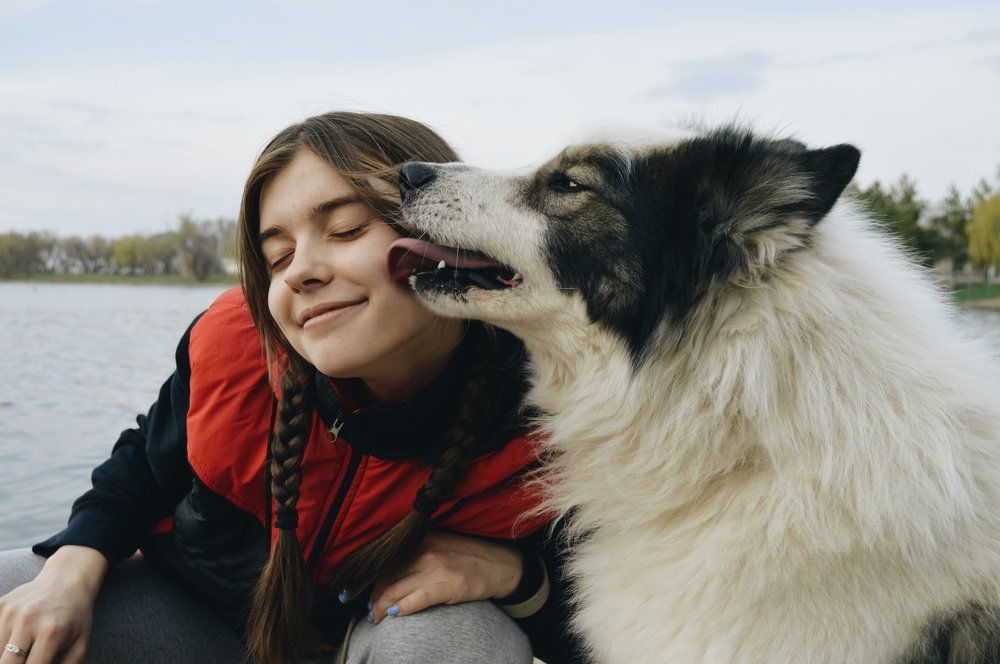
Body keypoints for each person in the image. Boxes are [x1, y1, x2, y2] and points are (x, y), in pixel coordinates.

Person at [0, 112, 579, 664]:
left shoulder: (557, 411)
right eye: (277, 256)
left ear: (452, 231)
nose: (302, 269)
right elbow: (141, 469)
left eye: (346, 229)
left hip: (369, 638)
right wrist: (71, 567)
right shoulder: (236, 348)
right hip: (197, 624)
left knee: (457, 639)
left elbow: (610, 630)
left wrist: (521, 577)